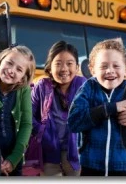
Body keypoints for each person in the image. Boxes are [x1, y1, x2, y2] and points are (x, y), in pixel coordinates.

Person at [68, 38, 126, 176]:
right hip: (91, 167)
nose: (110, 71)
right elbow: (73, 122)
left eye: (116, 66)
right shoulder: (88, 89)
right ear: (92, 70)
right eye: (103, 66)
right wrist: (110, 108)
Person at [0, 44, 36, 176]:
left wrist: (14, 159)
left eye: (19, 69)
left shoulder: (23, 90)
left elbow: (26, 124)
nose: (11, 70)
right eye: (9, 63)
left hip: (13, 161)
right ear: (0, 60)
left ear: (23, 77)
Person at [31, 40, 86, 176]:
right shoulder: (42, 86)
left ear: (77, 67)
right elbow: (28, 115)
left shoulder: (84, 86)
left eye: (69, 64)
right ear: (49, 67)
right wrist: (41, 132)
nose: (64, 69)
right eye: (58, 64)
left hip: (76, 153)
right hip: (49, 154)